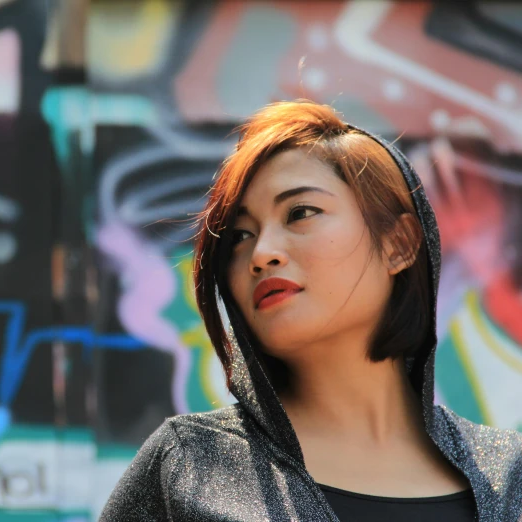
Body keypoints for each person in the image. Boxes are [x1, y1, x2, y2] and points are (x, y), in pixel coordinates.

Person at [98, 101, 522, 521]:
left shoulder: (508, 476)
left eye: (300, 213)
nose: (261, 254)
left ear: (399, 244)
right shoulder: (188, 467)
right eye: (240, 236)